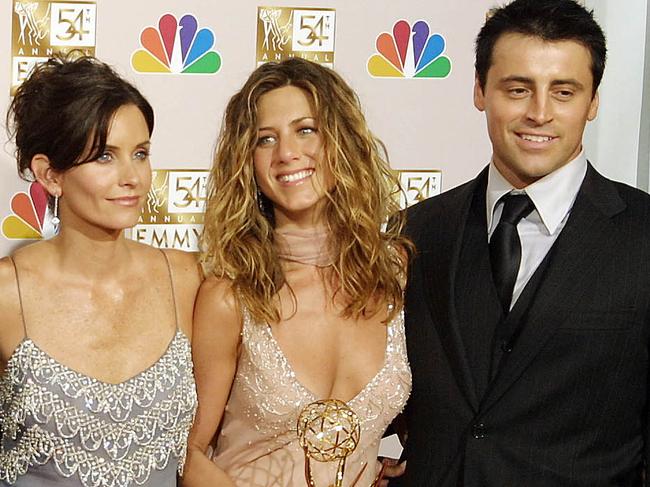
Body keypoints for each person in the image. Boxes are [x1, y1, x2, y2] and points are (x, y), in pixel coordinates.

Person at [396, 0, 650, 485]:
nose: (539, 113)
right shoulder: (413, 232)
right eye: (518, 89)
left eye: (563, 92)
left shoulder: (643, 234)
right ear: (480, 91)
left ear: (593, 101)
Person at [182, 58, 412, 486]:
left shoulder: (395, 273)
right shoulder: (232, 296)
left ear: (340, 140)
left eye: (306, 129)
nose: (287, 152)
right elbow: (188, 453)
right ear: (246, 162)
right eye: (265, 139)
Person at [0, 56, 201, 486]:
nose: (133, 177)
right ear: (50, 174)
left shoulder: (186, 280)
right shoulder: (6, 294)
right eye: (104, 156)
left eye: (140, 153)